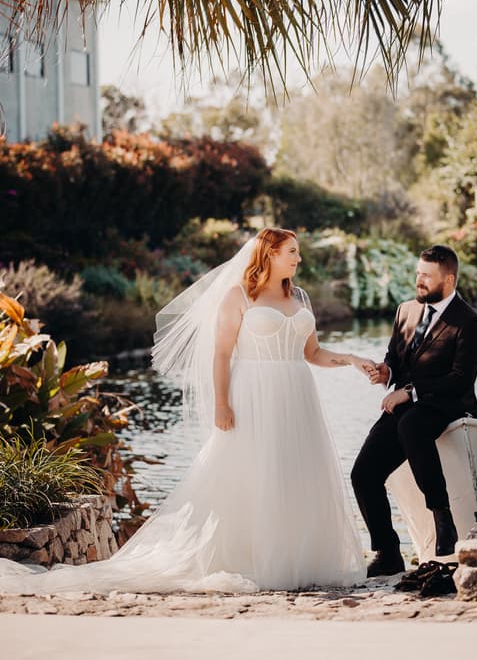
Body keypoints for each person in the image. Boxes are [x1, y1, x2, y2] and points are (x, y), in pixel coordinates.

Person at [0, 228, 372, 594]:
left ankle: (299, 558)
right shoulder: (238, 295)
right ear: (270, 254)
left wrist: (352, 360)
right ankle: (257, 559)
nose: (299, 258)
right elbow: (222, 354)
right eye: (292, 251)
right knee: (254, 471)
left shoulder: (301, 297)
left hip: (297, 393)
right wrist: (222, 403)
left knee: (296, 470)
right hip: (254, 393)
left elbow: (313, 354)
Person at [351, 245, 477, 577]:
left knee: (412, 424)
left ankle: (443, 518)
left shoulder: (469, 321)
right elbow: (396, 360)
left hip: (446, 402)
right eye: (417, 274)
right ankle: (387, 553)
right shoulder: (405, 311)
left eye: (426, 275)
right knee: (363, 474)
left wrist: (409, 392)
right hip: (407, 405)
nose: (418, 281)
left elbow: (461, 379)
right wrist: (386, 373)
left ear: (449, 279)